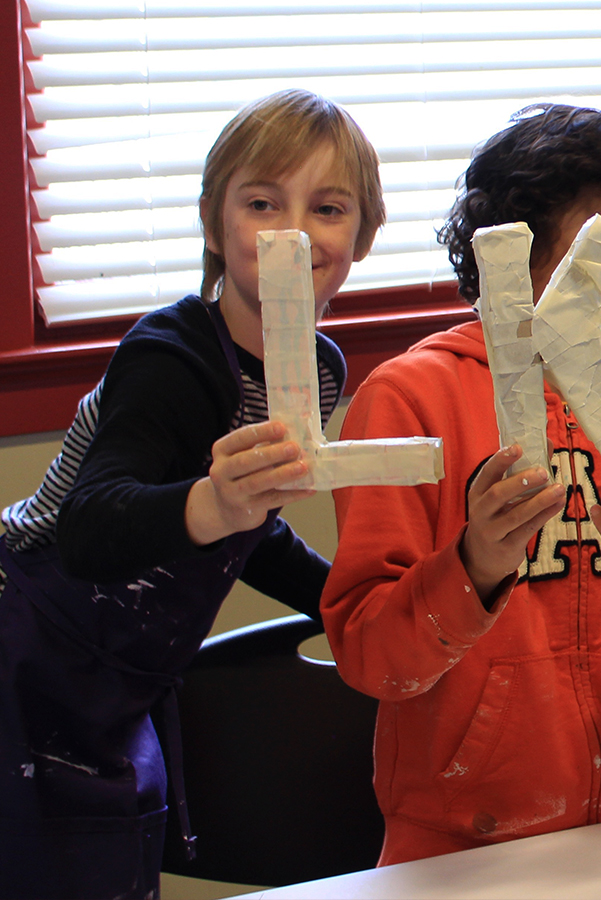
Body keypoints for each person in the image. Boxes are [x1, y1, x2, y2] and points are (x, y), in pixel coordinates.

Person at [0, 89, 383, 898]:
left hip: (122, 677)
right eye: (261, 202)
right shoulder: (169, 356)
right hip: (26, 637)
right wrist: (213, 504)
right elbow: (89, 525)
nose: (293, 230)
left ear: (363, 235)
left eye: (327, 207)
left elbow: (254, 529)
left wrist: (345, 598)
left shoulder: (315, 368)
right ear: (214, 225)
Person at [321, 104, 601, 864]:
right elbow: (372, 659)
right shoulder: (411, 403)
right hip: (461, 850)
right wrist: (476, 567)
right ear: (512, 242)